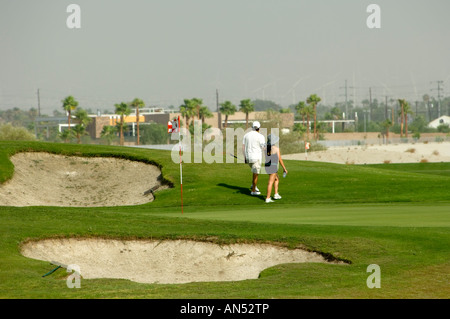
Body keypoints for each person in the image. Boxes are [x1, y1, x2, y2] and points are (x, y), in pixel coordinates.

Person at [242, 121, 266, 195]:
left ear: (252, 127)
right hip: (257, 158)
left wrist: (245, 157)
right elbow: (263, 148)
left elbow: (243, 147)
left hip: (248, 157)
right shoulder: (261, 136)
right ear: (259, 128)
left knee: (254, 172)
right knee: (256, 173)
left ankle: (253, 185)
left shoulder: (246, 135)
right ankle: (253, 191)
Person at [264, 134, 287, 203]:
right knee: (270, 182)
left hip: (267, 166)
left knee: (276, 178)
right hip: (273, 166)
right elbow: (280, 159)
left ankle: (276, 194)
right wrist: (284, 168)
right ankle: (268, 198)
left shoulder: (265, 148)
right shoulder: (276, 149)